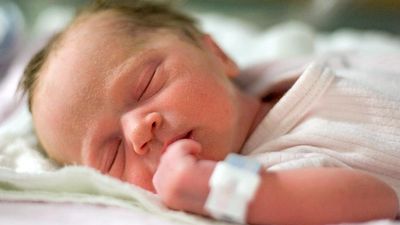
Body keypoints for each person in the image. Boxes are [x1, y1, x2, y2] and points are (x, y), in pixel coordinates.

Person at [19, 0, 399, 224]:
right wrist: (217, 188)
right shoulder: (271, 176)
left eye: (146, 85)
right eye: (112, 153)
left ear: (218, 54)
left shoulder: (279, 71)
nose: (138, 132)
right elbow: (375, 198)